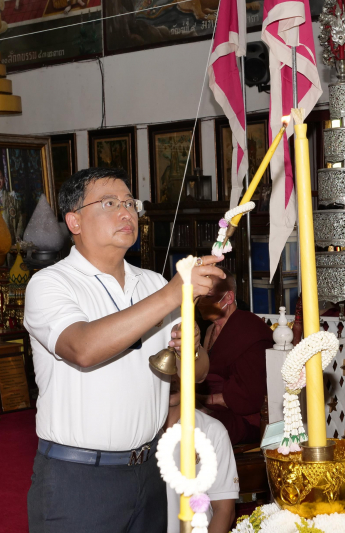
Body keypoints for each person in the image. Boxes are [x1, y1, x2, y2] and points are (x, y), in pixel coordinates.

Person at [23, 167, 225, 533]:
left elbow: (197, 375)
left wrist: (192, 348)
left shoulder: (151, 282)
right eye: (110, 203)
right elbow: (82, 348)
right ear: (74, 221)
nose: (126, 212)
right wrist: (171, 295)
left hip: (148, 470)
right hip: (78, 478)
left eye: (131, 203)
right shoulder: (50, 283)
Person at [197, 270, 274, 444]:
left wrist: (202, 401)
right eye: (199, 297)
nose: (201, 303)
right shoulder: (209, 330)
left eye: (208, 297)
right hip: (210, 408)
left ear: (229, 298)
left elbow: (249, 395)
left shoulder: (249, 329)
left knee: (195, 427)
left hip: (243, 418)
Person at [164, 377, 238, 533]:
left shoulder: (212, 431)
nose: (171, 377)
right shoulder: (134, 435)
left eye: (178, 362)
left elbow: (224, 510)